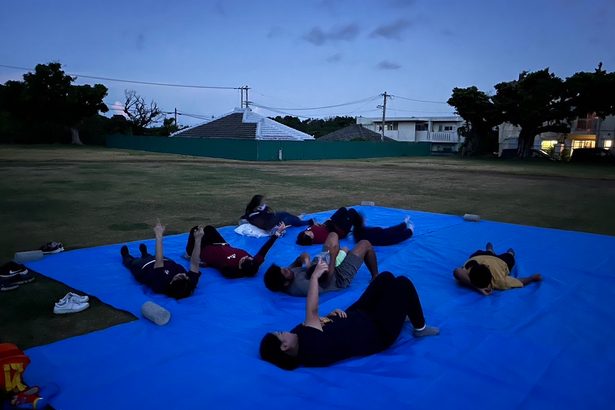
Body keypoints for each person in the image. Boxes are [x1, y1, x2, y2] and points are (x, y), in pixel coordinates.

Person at [259, 266, 440, 370]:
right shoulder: (310, 349)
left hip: (355, 314)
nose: (285, 331)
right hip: (376, 330)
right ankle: (420, 328)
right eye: (281, 333)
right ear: (285, 346)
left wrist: (330, 316)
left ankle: (401, 312)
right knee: (402, 284)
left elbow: (317, 321)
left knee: (385, 278)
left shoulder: (296, 335)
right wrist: (314, 276)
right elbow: (312, 311)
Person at [264, 232, 379, 296]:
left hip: (318, 265)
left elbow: (297, 262)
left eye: (282, 268)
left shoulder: (285, 277)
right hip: (337, 277)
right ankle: (375, 276)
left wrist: (304, 261)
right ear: (285, 284)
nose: (286, 268)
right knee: (365, 244)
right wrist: (333, 256)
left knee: (333, 235)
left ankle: (341, 253)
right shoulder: (300, 286)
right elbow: (326, 282)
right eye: (284, 271)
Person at [121, 221, 202, 299]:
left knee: (131, 263)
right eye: (186, 277)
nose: (184, 274)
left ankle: (126, 256)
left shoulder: (160, 283)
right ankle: (145, 253)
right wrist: (198, 240)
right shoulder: (188, 285)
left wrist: (158, 235)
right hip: (166, 261)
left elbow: (158, 260)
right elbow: (195, 264)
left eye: (180, 276)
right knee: (151, 256)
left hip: (145, 267)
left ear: (171, 282)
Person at [185, 223, 287, 279]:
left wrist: (203, 262)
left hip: (204, 250)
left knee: (196, 230)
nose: (246, 256)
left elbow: (225, 271)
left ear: (240, 266)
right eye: (248, 257)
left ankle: (190, 252)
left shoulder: (229, 268)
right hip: (220, 244)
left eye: (243, 259)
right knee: (209, 228)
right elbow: (265, 249)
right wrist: (277, 234)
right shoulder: (254, 262)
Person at [453, 242, 542, 295]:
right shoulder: (498, 280)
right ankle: (492, 250)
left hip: (488, 259)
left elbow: (457, 271)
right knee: (509, 255)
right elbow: (520, 281)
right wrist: (532, 278)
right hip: (481, 256)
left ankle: (493, 251)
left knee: (510, 256)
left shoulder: (498, 280)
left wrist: (532, 278)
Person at [241, 194, 311, 231]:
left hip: (274, 218)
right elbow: (264, 224)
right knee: (291, 220)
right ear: (257, 204)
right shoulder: (254, 215)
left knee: (285, 214)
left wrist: (264, 209)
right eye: (262, 203)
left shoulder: (255, 210)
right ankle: (309, 222)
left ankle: (297, 218)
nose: (264, 204)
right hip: (273, 223)